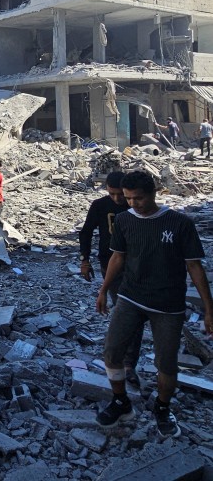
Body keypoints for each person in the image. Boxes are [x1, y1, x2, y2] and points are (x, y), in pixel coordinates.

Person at [96, 170, 213, 437]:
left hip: (168, 304)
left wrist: (208, 308)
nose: (132, 204)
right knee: (112, 352)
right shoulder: (125, 221)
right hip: (130, 296)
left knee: (166, 364)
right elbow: (117, 257)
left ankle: (162, 408)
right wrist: (103, 290)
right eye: (128, 198)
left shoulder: (180, 223)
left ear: (153, 194)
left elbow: (194, 266)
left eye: (138, 198)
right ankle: (121, 402)